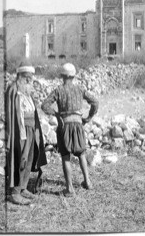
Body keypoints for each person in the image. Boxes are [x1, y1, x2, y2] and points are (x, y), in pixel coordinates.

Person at [41, 63, 99, 197]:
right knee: (81, 154)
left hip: (64, 125)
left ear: (62, 76)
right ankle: (88, 182)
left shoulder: (59, 90)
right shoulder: (80, 89)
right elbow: (95, 102)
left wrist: (56, 114)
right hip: (78, 125)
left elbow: (44, 105)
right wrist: (88, 117)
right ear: (73, 76)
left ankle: (69, 189)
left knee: (66, 157)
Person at [5, 61, 47, 205]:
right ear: (21, 76)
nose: (30, 80)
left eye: (31, 78)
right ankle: (14, 193)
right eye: (27, 78)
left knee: (29, 159)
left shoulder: (27, 92)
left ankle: (23, 187)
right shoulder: (13, 90)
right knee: (19, 160)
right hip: (20, 131)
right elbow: (13, 115)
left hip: (31, 130)